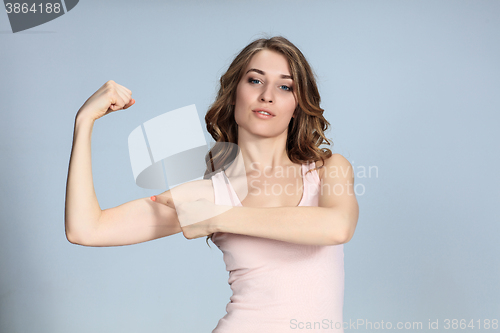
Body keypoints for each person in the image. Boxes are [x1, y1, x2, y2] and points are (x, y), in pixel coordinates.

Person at [65, 36, 359, 332]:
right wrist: (84, 120)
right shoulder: (208, 195)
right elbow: (87, 229)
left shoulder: (327, 171)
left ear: (297, 106)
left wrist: (216, 217)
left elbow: (338, 226)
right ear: (234, 94)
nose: (267, 95)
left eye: (285, 86)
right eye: (255, 81)